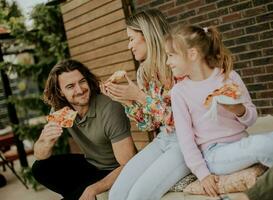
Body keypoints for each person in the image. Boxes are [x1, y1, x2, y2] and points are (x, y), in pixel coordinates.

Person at [167, 24, 273, 197]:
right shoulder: (179, 92)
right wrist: (203, 174)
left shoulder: (229, 77)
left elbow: (251, 119)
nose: (167, 62)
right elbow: (186, 141)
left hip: (241, 142)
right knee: (264, 144)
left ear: (192, 54)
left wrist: (239, 110)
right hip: (215, 154)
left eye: (171, 55)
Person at [101, 9, 190, 200]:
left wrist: (140, 97)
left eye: (132, 38)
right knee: (116, 194)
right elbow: (150, 125)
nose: (128, 46)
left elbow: (184, 121)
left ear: (148, 35)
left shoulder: (179, 66)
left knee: (137, 196)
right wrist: (127, 100)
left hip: (187, 141)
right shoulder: (144, 72)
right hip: (163, 139)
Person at [31, 59, 136, 200]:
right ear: (60, 92)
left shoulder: (110, 109)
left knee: (79, 193)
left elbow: (129, 164)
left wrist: (94, 188)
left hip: (112, 169)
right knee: (40, 168)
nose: (79, 90)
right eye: (70, 86)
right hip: (91, 164)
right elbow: (39, 155)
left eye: (82, 81)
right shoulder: (60, 110)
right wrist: (45, 141)